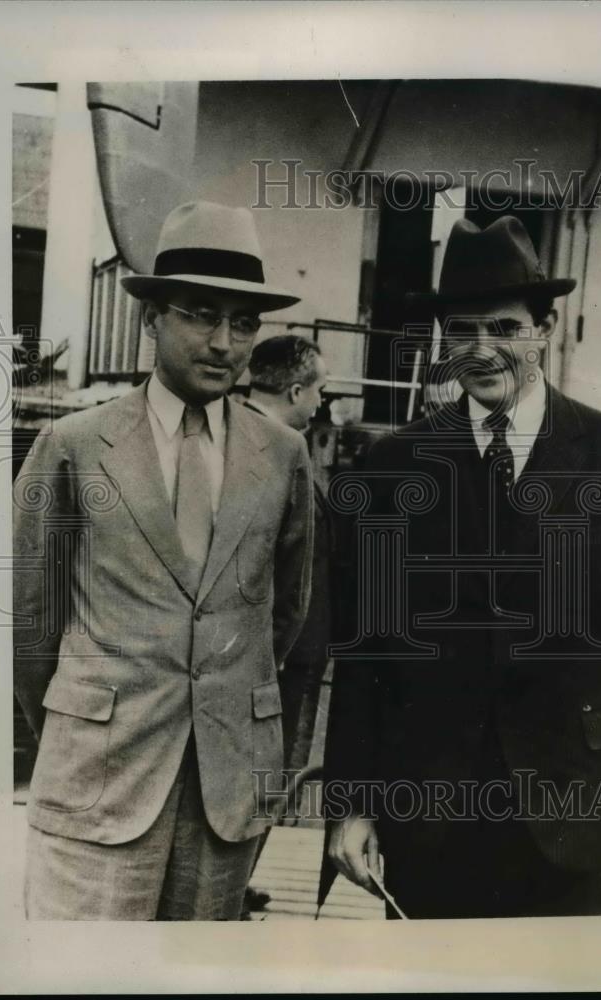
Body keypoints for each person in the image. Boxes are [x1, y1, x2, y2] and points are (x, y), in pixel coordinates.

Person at [323, 215, 601, 918]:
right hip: (428, 816)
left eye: (504, 328)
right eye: (459, 330)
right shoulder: (394, 465)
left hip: (571, 812)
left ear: (542, 329)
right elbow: (366, 654)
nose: (480, 350)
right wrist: (352, 804)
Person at [13, 201, 314, 920]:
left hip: (225, 791)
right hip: (99, 784)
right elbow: (29, 623)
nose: (222, 342)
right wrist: (83, 723)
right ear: (151, 317)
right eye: (200, 314)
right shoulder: (74, 446)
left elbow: (288, 617)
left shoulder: (282, 455)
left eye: (243, 323)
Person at [241, 334, 332, 915]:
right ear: (296, 389)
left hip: (288, 654)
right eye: (319, 389)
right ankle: (225, 885)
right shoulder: (266, 449)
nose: (322, 402)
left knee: (268, 778)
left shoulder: (271, 444)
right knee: (262, 774)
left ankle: (235, 879)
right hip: (275, 661)